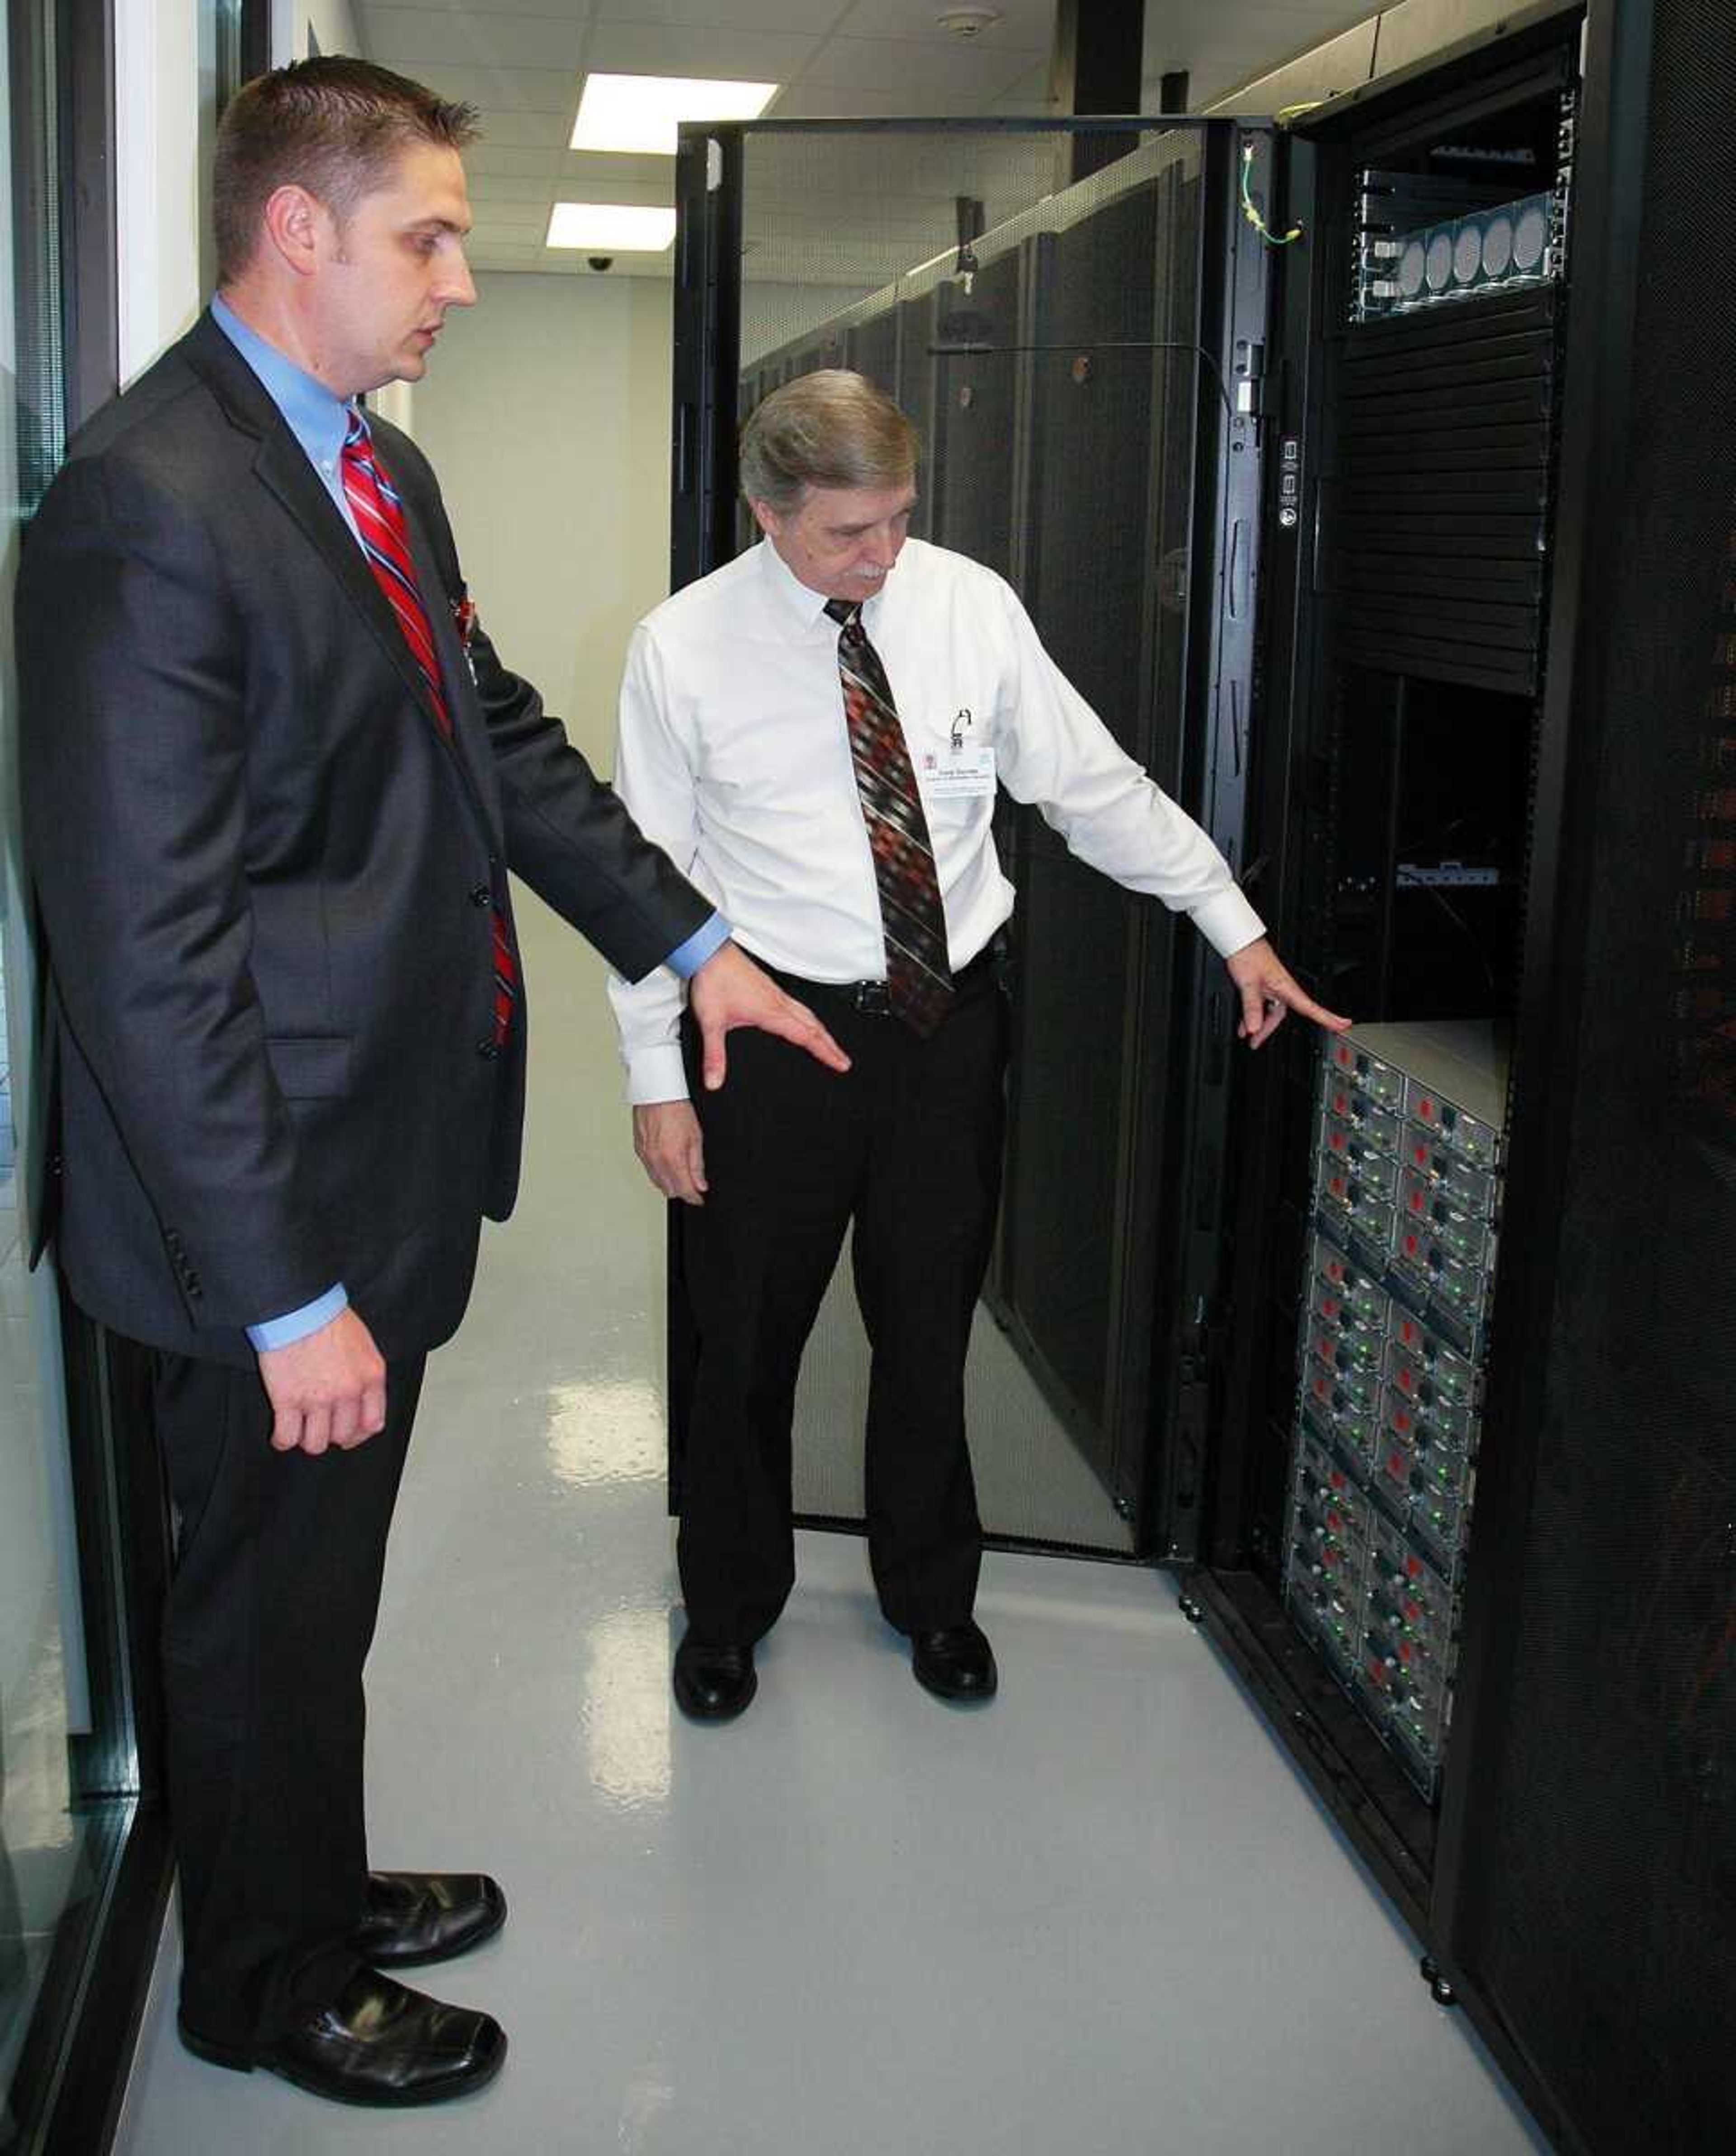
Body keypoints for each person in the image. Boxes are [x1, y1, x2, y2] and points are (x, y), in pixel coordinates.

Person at [15, 59, 846, 2110]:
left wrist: (690, 939)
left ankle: (304, 1872)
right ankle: (263, 1980)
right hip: (260, 1210)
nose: (457, 280)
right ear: (297, 231)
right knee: (262, 1597)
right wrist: (284, 1289)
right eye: (428, 237)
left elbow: (496, 736)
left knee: (317, 1592)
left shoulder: (368, 470)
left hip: (364, 1159)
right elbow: (144, 949)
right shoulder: (152, 501)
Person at [610, 369, 1349, 1725]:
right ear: (769, 513)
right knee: (747, 1341)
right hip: (769, 1033)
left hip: (945, 1027)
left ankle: (932, 1596)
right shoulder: (684, 647)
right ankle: (726, 1608)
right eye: (849, 531)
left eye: (898, 518)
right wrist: (657, 1082)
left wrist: (1229, 920)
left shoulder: (969, 605)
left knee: (931, 1324)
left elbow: (1089, 785)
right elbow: (642, 882)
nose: (884, 555)